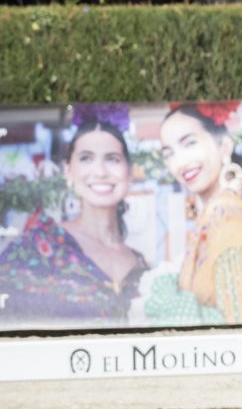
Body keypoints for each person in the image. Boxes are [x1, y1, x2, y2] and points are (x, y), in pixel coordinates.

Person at [0, 116, 148, 324]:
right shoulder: (41, 244)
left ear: (129, 172)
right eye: (86, 158)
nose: (100, 172)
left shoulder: (141, 265)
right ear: (68, 171)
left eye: (112, 159)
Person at [159, 104, 242, 324]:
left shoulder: (228, 217)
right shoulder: (217, 213)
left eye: (189, 143)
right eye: (169, 153)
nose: (179, 162)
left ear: (224, 146)